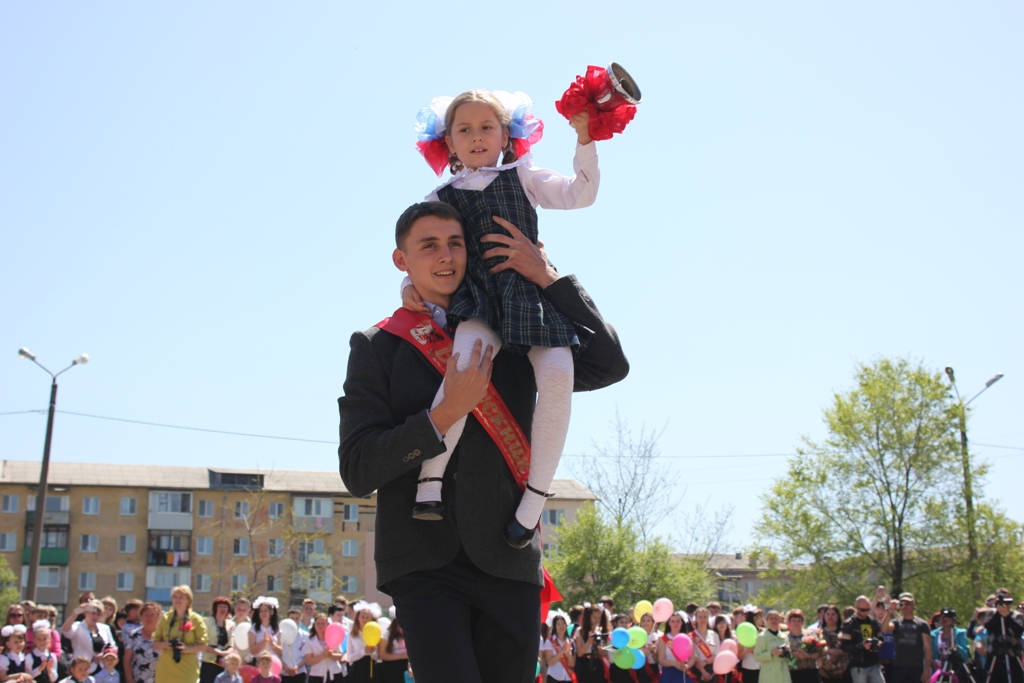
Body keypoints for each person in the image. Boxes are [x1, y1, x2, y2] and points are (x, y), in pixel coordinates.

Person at [338, 201, 628, 683]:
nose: (446, 255)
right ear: (401, 260)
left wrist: (547, 277)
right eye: (428, 246)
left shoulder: (514, 330)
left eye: (456, 243)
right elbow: (358, 468)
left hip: (508, 554)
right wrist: (445, 412)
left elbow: (608, 364)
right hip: (422, 559)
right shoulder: (379, 345)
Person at [405, 88, 600, 550]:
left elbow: (581, 194)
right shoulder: (440, 197)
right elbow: (430, 253)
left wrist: (586, 140)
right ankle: (429, 481)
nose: (476, 137)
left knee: (557, 375)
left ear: (507, 134)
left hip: (530, 296)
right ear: (448, 142)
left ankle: (533, 501)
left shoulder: (525, 176)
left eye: (486, 127)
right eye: (464, 130)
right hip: (479, 302)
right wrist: (409, 288)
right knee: (463, 365)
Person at [151, 586, 208, 683]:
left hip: (187, 669)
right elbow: (155, 643)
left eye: (181, 597)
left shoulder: (196, 619)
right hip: (166, 668)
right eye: (175, 597)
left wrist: (187, 649)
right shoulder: (166, 618)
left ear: (188, 600)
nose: (177, 600)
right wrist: (165, 644)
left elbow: (203, 646)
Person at [883, 593, 932, 683]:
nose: (906, 606)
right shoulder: (896, 622)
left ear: (914, 604)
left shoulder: (922, 624)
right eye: (903, 604)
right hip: (898, 667)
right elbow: (885, 629)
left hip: (916, 668)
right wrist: (890, 612)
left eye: (908, 604)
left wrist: (927, 669)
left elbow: (927, 648)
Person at [60, 602, 115, 674]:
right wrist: (75, 613)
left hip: (102, 668)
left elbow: (113, 647)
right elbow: (65, 631)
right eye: (93, 613)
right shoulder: (78, 626)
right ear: (86, 613)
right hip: (81, 669)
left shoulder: (105, 628)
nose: (95, 616)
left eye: (98, 614)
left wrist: (104, 655)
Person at [840, 597, 884, 683]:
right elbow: (845, 647)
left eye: (868, 609)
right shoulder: (849, 624)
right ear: (856, 608)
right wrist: (861, 645)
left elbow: (880, 638)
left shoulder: (873, 622)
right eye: (863, 610)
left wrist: (879, 643)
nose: (865, 612)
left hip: (874, 663)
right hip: (858, 665)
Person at [980, 595, 1023, 683]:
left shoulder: (1018, 615)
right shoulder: (991, 613)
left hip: (1013, 655)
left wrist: (1007, 616)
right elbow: (989, 627)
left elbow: (1018, 631)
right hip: (995, 655)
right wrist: (998, 613)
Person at [121, 603, 159, 683]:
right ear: (141, 616)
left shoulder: (164, 636)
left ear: (158, 616)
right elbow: (127, 659)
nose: (149, 618)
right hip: (138, 679)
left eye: (152, 615)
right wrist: (129, 678)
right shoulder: (134, 635)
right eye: (146, 615)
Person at [301, 614, 344, 683]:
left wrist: (331, 654)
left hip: (334, 673)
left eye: (323, 623)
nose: (320, 626)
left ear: (327, 624)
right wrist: (323, 655)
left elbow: (340, 656)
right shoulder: (309, 640)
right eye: (318, 624)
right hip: (316, 674)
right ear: (314, 625)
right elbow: (309, 660)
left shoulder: (333, 637)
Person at [930, 608, 970, 683]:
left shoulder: (960, 633)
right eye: (942, 617)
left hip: (957, 669)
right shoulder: (934, 634)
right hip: (940, 670)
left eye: (947, 617)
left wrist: (956, 647)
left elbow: (966, 655)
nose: (944, 619)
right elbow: (930, 652)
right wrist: (933, 662)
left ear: (953, 620)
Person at [200, 597, 234, 683]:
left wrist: (226, 653)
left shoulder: (231, 624)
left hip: (224, 664)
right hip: (208, 662)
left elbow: (231, 645)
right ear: (215, 608)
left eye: (225, 607)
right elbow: (202, 644)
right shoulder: (206, 621)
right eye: (220, 606)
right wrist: (218, 652)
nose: (223, 609)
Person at [574, 605, 611, 683]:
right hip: (585, 664)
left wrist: (600, 649)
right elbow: (579, 653)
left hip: (598, 663)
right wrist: (588, 642)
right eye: (594, 617)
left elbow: (605, 654)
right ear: (589, 616)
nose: (597, 620)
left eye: (599, 618)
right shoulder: (580, 631)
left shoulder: (601, 631)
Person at [345, 602, 380, 683]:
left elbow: (377, 657)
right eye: (362, 617)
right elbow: (350, 657)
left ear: (371, 619)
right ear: (358, 618)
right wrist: (363, 651)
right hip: (357, 670)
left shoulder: (376, 633)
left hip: (371, 668)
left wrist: (373, 652)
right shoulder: (352, 634)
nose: (364, 619)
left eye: (367, 617)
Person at [754, 611, 792, 683]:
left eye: (776, 618)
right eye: (771, 618)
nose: (773, 620)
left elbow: (789, 659)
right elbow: (757, 656)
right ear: (766, 620)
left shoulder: (784, 637)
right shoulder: (762, 637)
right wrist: (771, 653)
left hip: (783, 673)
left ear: (779, 620)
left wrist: (787, 652)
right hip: (769, 674)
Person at [816, 605, 849, 683]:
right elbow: (815, 649)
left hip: (844, 670)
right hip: (824, 672)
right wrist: (829, 651)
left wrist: (838, 653)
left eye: (833, 614)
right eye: (828, 614)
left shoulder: (845, 631)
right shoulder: (818, 633)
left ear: (838, 616)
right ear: (824, 616)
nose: (830, 616)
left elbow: (850, 647)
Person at [787, 610, 821, 683]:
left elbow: (818, 651)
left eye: (799, 620)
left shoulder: (810, 634)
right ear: (789, 622)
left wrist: (808, 655)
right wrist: (793, 655)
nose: (796, 623)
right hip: (792, 672)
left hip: (810, 671)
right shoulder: (784, 636)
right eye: (793, 620)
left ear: (802, 622)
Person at [540, 614, 575, 683]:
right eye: (558, 624)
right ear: (554, 627)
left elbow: (572, 663)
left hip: (567, 677)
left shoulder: (571, 641)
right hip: (554, 676)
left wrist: (568, 652)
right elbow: (549, 662)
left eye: (563, 624)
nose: (561, 626)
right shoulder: (549, 641)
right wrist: (562, 651)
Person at [658, 613, 689, 683]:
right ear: (669, 623)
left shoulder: (688, 638)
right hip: (669, 673)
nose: (675, 624)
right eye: (673, 621)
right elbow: (661, 660)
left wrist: (687, 666)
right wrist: (674, 663)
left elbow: (692, 658)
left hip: (684, 671)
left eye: (678, 621)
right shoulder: (663, 639)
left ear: (682, 623)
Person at [377, 617, 409, 683]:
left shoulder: (409, 633)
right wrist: (402, 656)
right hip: (391, 667)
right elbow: (381, 654)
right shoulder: (387, 634)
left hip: (407, 666)